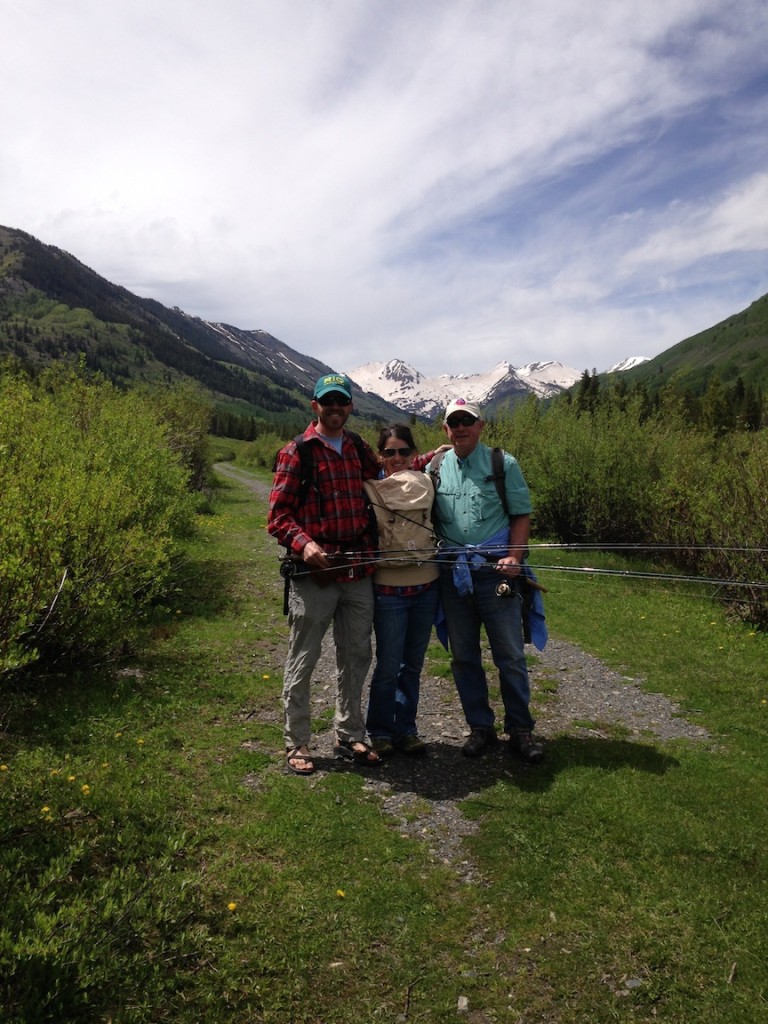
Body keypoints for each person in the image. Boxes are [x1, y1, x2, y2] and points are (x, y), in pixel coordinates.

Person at [267, 372, 383, 775]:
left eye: (342, 401)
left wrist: (425, 460)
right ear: (314, 405)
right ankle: (297, 741)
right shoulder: (296, 452)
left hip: (358, 571)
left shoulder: (357, 446)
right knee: (304, 657)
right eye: (327, 401)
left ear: (350, 406)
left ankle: (350, 731)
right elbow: (277, 517)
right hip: (314, 574)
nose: (336, 408)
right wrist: (305, 545)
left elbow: (385, 477)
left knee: (357, 655)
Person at [428, 398, 544, 762]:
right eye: (454, 422)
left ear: (480, 425)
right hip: (453, 575)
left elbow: (521, 514)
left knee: (509, 654)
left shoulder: (503, 463)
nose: (461, 427)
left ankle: (520, 729)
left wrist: (516, 556)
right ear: (446, 429)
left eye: (468, 420)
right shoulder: (434, 467)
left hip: (497, 574)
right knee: (463, 656)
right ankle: (480, 727)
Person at [363, 425, 443, 757]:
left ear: (414, 454)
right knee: (388, 665)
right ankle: (380, 730)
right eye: (389, 452)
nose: (397, 458)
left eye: (404, 452)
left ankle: (406, 729)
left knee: (412, 664)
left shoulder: (424, 479)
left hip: (427, 586)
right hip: (388, 589)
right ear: (379, 456)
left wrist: (438, 453)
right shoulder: (371, 486)